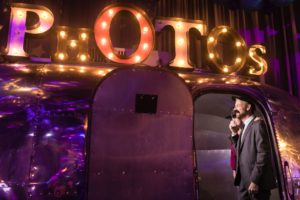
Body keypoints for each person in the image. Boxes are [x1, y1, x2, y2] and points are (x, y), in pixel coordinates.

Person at [231, 96, 276, 200]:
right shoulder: (243, 127)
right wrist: (234, 133)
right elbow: (240, 153)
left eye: (238, 105)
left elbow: (263, 154)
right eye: (234, 106)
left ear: (248, 107)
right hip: (244, 182)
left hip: (255, 184)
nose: (234, 109)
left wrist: (255, 180)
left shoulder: (258, 124)